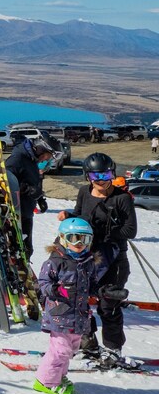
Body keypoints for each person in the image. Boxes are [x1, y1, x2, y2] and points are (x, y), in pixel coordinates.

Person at [56, 152, 138, 367]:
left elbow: (131, 231)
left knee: (108, 306)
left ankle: (113, 349)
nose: (102, 181)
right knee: (80, 301)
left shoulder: (121, 198)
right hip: (87, 257)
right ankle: (88, 343)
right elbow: (79, 214)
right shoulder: (84, 192)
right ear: (87, 176)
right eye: (96, 176)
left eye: (107, 175)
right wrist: (69, 216)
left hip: (114, 260)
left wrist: (106, 230)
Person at [33, 218, 98, 394]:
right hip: (59, 314)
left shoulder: (88, 262)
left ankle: (58, 376)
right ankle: (45, 382)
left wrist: (103, 292)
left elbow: (92, 285)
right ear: (63, 238)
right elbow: (42, 284)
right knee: (60, 350)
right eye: (74, 238)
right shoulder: (54, 262)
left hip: (79, 315)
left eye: (84, 239)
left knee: (70, 349)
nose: (79, 244)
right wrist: (58, 290)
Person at [6, 134, 60, 260]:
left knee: (27, 249)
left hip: (26, 210)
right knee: (21, 249)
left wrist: (39, 198)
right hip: (17, 212)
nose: (47, 159)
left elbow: (31, 180)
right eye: (49, 155)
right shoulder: (18, 159)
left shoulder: (32, 160)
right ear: (41, 149)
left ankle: (23, 267)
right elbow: (6, 180)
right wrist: (28, 190)